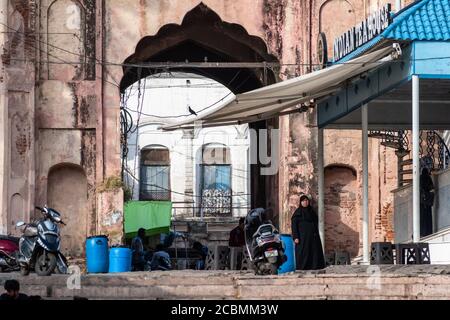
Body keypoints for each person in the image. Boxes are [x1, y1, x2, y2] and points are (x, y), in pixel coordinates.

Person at [291, 195, 325, 270]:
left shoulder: (311, 211)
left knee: (313, 251)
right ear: (300, 202)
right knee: (303, 251)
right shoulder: (298, 213)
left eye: (306, 201)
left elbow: (316, 222)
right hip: (302, 237)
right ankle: (302, 267)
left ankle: (314, 266)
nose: (305, 202)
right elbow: (294, 225)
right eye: (303, 201)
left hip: (313, 236)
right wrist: (296, 237)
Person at [420, 167, 434, 237]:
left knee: (422, 218)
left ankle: (422, 232)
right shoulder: (428, 178)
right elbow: (431, 188)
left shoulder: (419, 178)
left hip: (421, 202)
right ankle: (428, 232)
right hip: (427, 202)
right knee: (427, 218)